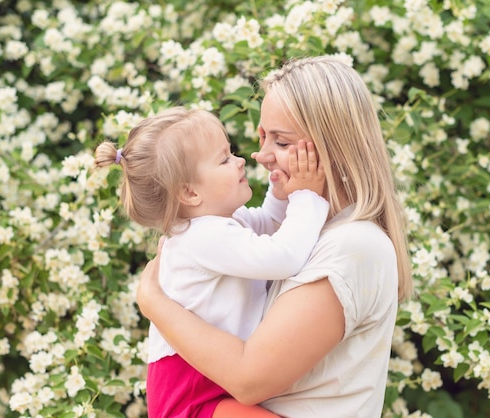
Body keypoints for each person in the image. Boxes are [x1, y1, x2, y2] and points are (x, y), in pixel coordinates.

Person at [136, 55, 414, 418]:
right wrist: (292, 192)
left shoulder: (352, 245)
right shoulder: (310, 232)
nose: (258, 156)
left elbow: (249, 379)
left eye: (281, 143)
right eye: (263, 137)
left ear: (331, 147)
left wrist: (153, 302)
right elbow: (275, 228)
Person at [94, 106, 329, 418]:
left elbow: (272, 222)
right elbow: (283, 257)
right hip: (191, 392)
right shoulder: (201, 238)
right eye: (224, 159)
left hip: (207, 382)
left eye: (231, 151)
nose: (240, 160)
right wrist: (308, 196)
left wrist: (282, 186)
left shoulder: (218, 226)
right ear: (190, 192)